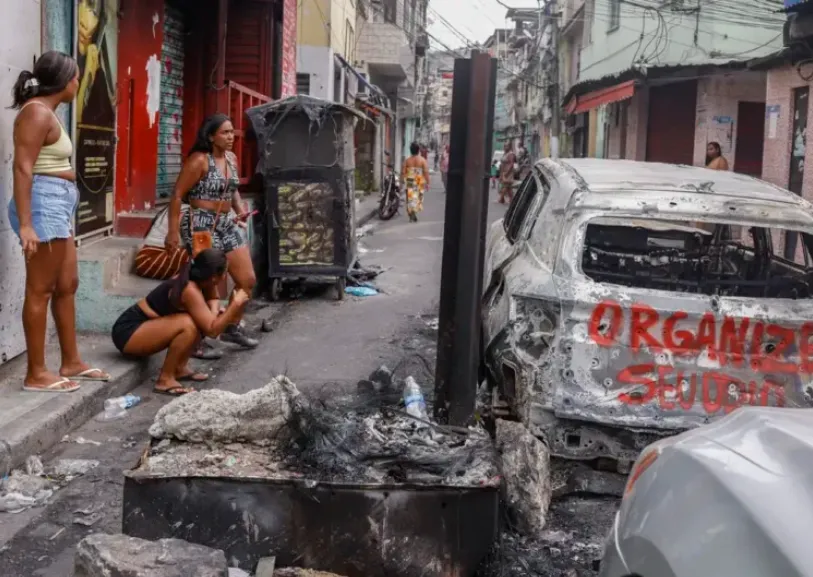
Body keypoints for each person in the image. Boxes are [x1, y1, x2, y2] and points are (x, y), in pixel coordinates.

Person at [8, 51, 110, 393]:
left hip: (57, 203)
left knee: (67, 284)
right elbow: (22, 168)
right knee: (41, 289)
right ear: (65, 80)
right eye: (77, 77)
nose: (79, 83)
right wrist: (26, 224)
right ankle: (36, 373)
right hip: (42, 204)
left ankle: (71, 361)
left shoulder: (48, 113)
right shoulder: (37, 113)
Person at [165, 114, 258, 360]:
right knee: (208, 282)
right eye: (224, 133)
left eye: (231, 132)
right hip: (201, 224)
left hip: (226, 223)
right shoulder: (199, 161)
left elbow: (232, 189)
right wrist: (172, 231)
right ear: (210, 136)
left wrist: (239, 210)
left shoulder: (231, 159)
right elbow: (177, 195)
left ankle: (231, 326)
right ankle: (196, 340)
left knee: (247, 279)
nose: (230, 137)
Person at [111, 249, 250, 396]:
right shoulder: (189, 289)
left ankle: (179, 369)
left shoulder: (205, 279)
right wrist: (234, 305)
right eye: (225, 272)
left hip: (145, 329)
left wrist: (213, 313)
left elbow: (213, 301)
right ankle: (165, 379)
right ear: (215, 276)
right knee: (188, 324)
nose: (225, 276)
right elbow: (212, 330)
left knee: (198, 320)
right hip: (128, 332)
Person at [402, 142, 430, 222]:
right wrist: (428, 182)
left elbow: (403, 172)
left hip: (410, 179)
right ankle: (414, 212)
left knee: (410, 197)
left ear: (411, 151)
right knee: (418, 197)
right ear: (418, 150)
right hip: (419, 180)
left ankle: (411, 213)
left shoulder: (407, 160)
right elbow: (426, 172)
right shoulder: (422, 160)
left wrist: (403, 181)